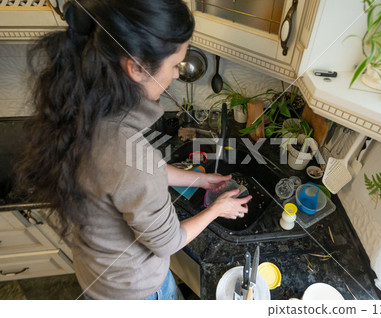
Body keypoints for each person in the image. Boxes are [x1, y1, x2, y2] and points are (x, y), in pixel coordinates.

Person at [14, 0, 251, 300]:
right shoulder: (128, 155)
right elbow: (168, 241)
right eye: (175, 64)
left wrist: (200, 180)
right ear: (137, 67)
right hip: (134, 292)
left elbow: (127, 176)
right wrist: (218, 208)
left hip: (96, 273)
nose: (177, 74)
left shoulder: (84, 104)